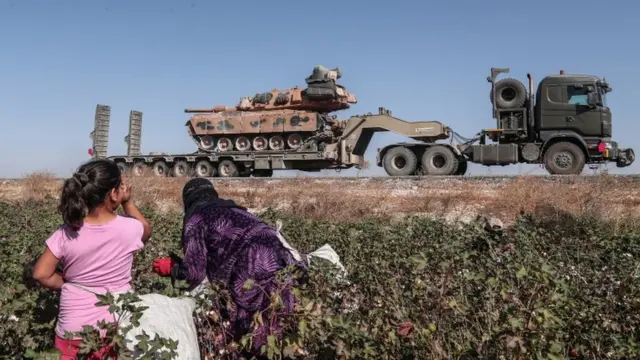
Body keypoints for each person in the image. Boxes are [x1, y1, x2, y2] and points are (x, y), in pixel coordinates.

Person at [152, 178, 307, 356]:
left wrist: (173, 268)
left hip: (252, 261)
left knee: (251, 327)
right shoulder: (234, 209)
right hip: (282, 253)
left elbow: (194, 273)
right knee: (278, 313)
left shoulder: (196, 218)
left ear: (188, 200)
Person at [32, 159, 152, 359]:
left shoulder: (67, 231)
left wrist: (69, 284)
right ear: (114, 194)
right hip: (117, 324)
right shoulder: (130, 229)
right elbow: (146, 230)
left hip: (74, 328)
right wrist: (128, 203)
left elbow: (40, 274)